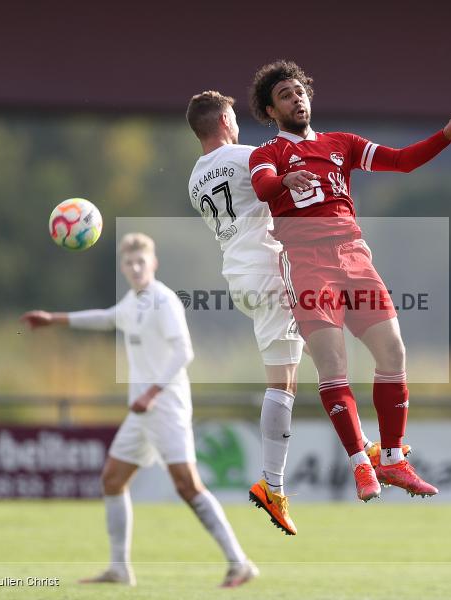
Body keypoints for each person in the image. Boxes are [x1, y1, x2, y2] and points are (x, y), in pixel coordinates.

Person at [247, 60, 451, 502]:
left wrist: (446, 136)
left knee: (393, 351)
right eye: (284, 95)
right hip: (307, 260)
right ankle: (360, 464)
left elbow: (402, 161)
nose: (296, 98)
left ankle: (392, 460)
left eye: (300, 91)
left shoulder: (343, 144)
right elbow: (262, 188)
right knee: (334, 366)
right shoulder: (268, 154)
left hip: (353, 255)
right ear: (270, 111)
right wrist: (283, 181)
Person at [185, 91, 410, 525]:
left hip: (238, 275)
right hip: (272, 270)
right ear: (227, 120)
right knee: (286, 381)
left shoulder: (195, 178)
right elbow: (290, 169)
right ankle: (273, 485)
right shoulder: (247, 156)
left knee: (323, 355)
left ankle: (365, 447)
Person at [20, 233, 258, 588]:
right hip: (142, 412)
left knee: (188, 486)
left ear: (153, 263)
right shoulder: (134, 302)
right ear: (123, 267)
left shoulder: (163, 302)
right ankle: (119, 569)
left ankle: (240, 563)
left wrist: (151, 393)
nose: (134, 267)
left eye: (140, 261)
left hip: (165, 407)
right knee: (113, 480)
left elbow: (183, 352)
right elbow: (104, 318)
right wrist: (54, 320)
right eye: (128, 263)